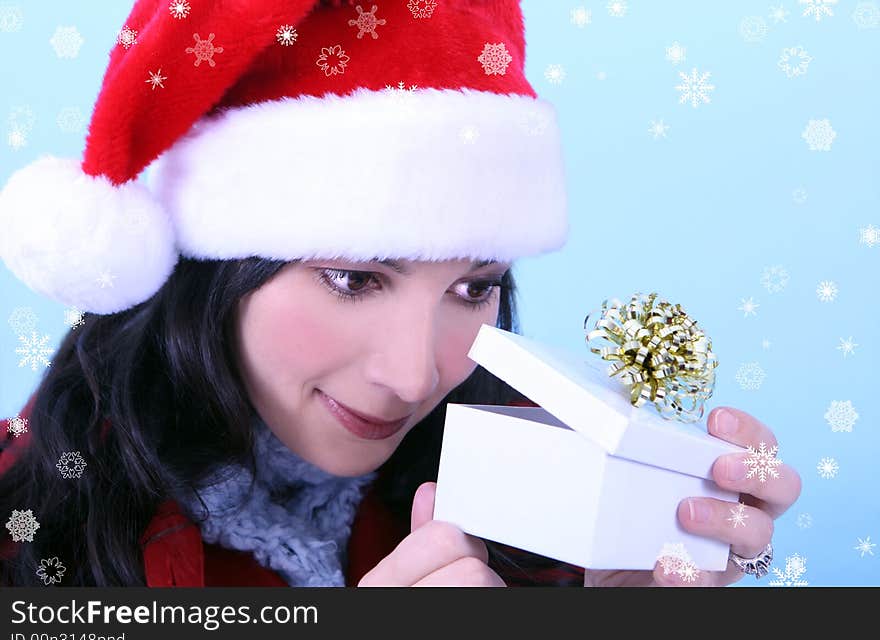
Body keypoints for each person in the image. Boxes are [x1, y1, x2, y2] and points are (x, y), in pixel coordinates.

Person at [0, 0, 800, 587]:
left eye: (474, 286)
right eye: (353, 278)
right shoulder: (27, 527)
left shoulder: (542, 508)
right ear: (213, 267)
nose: (417, 377)